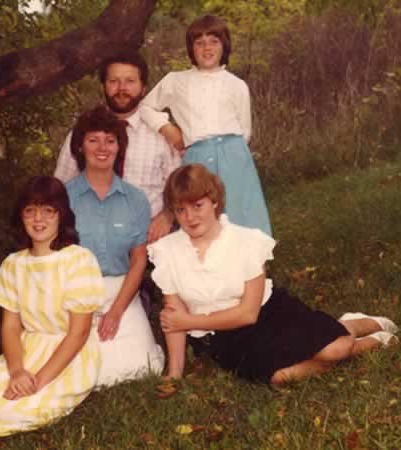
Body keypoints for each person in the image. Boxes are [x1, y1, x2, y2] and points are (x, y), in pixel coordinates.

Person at [147, 164, 398, 383]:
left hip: (270, 314)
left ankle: (364, 330)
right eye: (180, 210)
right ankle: (347, 331)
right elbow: (173, 320)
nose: (189, 217)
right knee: (282, 377)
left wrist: (190, 322)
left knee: (337, 349)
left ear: (214, 201)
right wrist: (175, 372)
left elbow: (248, 313)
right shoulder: (168, 252)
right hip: (227, 339)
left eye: (197, 205)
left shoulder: (246, 241)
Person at [0, 176, 106, 436]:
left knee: (21, 409)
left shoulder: (79, 260)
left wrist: (37, 382)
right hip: (27, 350)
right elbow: (11, 327)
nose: (38, 220)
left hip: (67, 353)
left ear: (62, 216)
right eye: (30, 211)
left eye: (48, 211)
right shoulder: (13, 264)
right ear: (20, 217)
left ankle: (43, 393)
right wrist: (17, 372)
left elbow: (78, 333)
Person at [140, 15, 272, 236]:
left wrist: (233, 154)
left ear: (224, 46)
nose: (207, 48)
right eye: (199, 43)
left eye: (214, 41)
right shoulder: (176, 80)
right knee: (199, 217)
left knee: (242, 221)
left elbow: (245, 130)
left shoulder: (237, 85)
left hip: (234, 157)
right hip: (197, 158)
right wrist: (168, 128)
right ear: (191, 49)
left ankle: (251, 268)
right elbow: (146, 107)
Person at [65, 106, 165, 386]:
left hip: (122, 292)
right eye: (93, 140)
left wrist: (117, 311)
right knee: (83, 373)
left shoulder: (136, 200)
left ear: (119, 147)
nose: (102, 148)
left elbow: (138, 262)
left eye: (110, 140)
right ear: (80, 146)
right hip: (74, 294)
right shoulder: (62, 198)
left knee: (141, 368)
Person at [55, 51, 181, 244]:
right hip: (91, 241)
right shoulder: (82, 132)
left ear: (143, 87)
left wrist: (167, 216)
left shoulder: (161, 136)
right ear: (104, 85)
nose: (121, 88)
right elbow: (59, 189)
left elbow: (180, 186)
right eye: (114, 81)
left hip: (150, 239)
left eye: (130, 81)